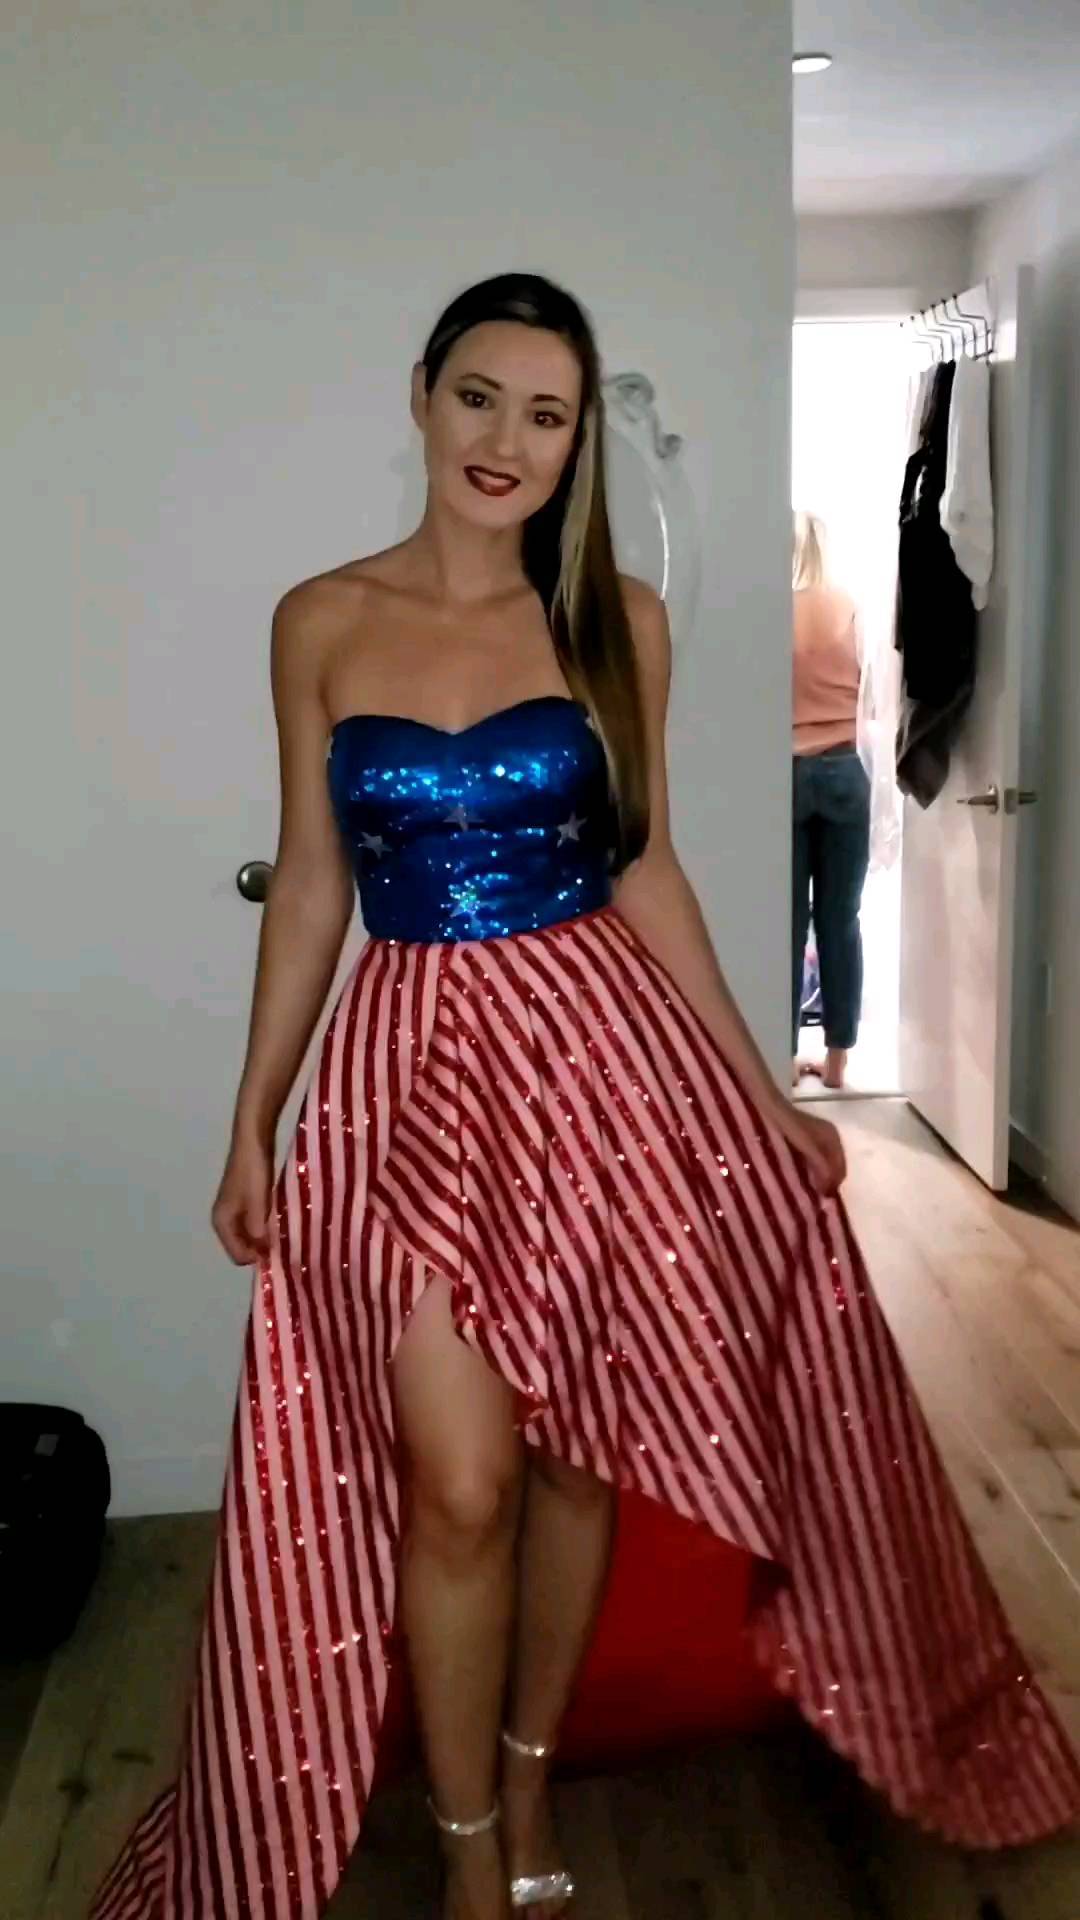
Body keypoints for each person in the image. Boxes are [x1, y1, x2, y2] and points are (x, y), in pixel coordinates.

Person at [93, 275, 1079, 1920]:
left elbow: (646, 867)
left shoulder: (621, 622)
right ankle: (469, 1845)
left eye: (546, 415)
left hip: (596, 1060)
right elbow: (315, 882)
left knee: (575, 1461)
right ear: (422, 394)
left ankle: (531, 1770)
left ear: (575, 445)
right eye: (480, 395)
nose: (508, 439)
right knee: (463, 1479)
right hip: (408, 1071)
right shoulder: (319, 620)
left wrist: (762, 1093)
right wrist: (253, 1117)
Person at [791, 510, 871, 1091]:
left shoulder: (767, 611)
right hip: (846, 768)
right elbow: (874, 693)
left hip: (784, 772)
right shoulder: (850, 609)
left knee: (786, 922)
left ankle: (781, 1055)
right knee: (840, 919)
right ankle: (838, 1060)